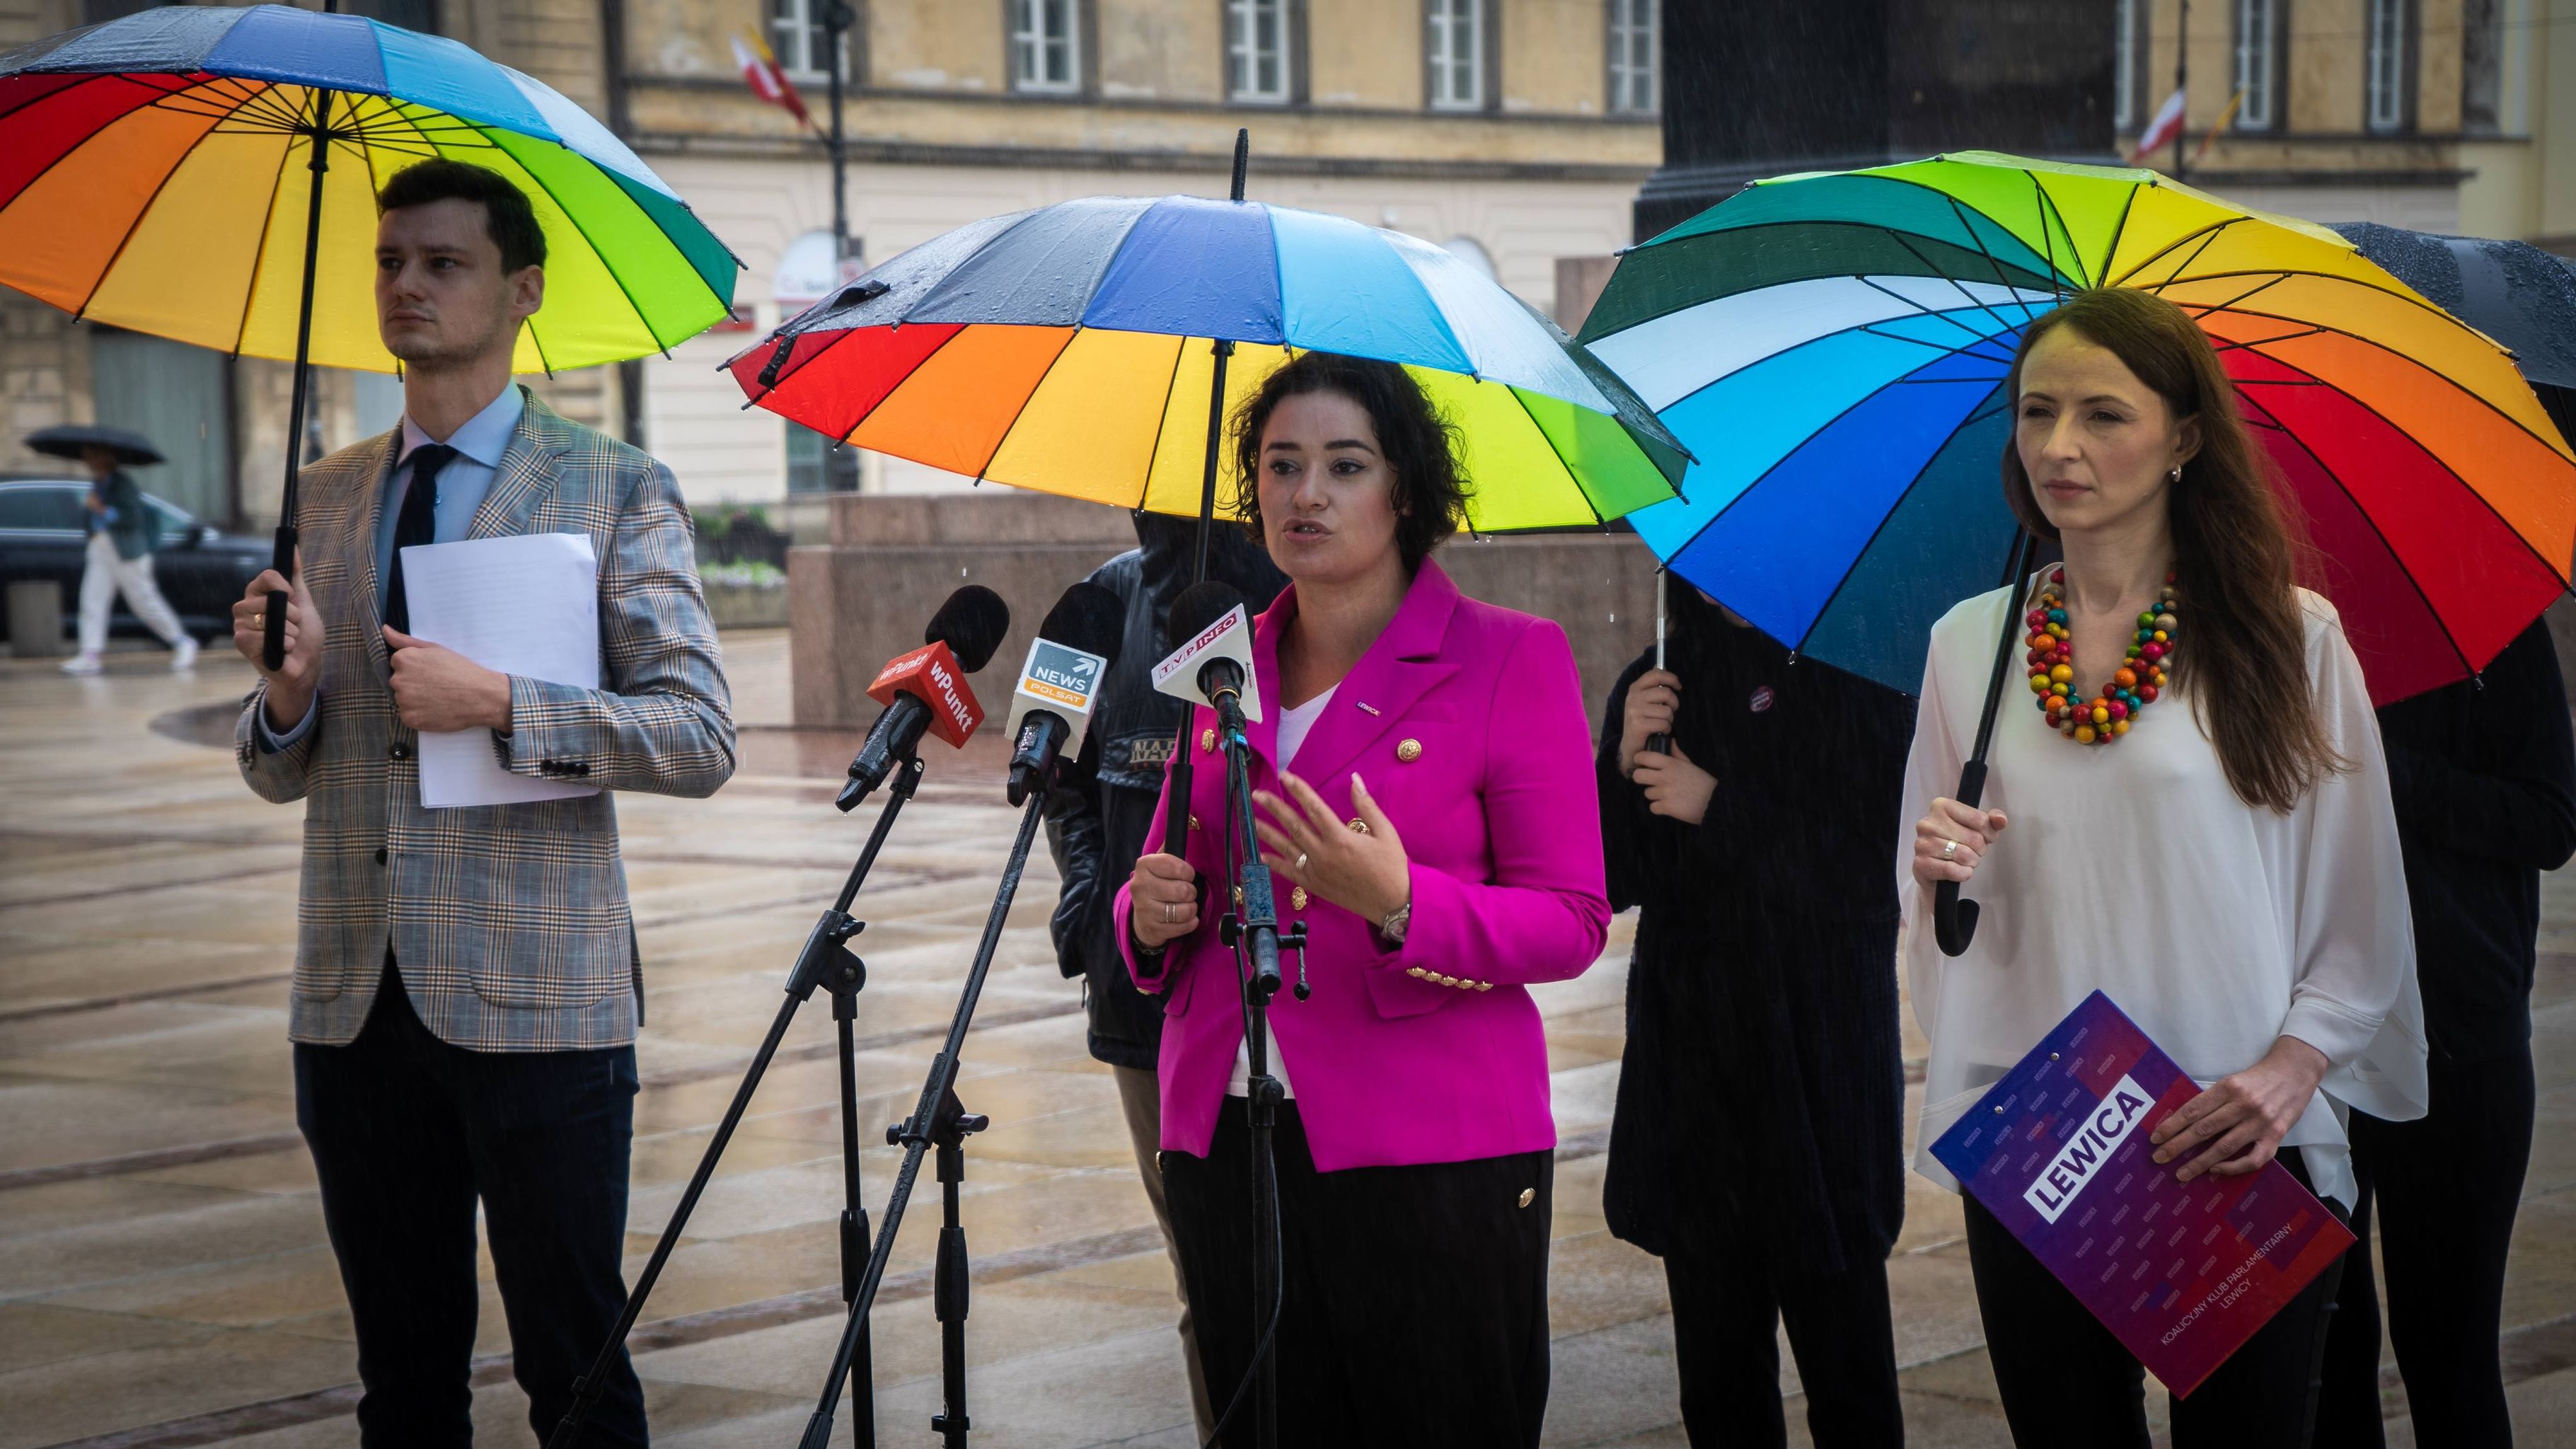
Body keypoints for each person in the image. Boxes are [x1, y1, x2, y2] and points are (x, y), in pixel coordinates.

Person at [229, 158, 734, 1447]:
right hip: (354, 998)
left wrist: (504, 701)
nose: (407, 284)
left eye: (443, 263)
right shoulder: (325, 494)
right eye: (391, 261)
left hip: (542, 996)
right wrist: (288, 692)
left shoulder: (614, 483)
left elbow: (698, 735)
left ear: (523, 291)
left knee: (577, 1373)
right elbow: (280, 767)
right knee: (401, 1386)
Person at [1900, 287, 2427, 1448]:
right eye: (2036, 411)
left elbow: (2359, 902)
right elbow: (1938, 920)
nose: (2059, 445)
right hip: (2041, 1123)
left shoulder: (2288, 637)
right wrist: (1939, 870)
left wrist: (2291, 1070)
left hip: (2228, 1121)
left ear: (2185, 435)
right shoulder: (1968, 644)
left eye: (2102, 414)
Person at [1116, 351, 1609, 1445]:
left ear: (1406, 490)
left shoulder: (1507, 657)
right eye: (1280, 465)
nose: (1306, 494)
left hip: (1428, 1146)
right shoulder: (1222, 664)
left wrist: (1399, 903)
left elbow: (1572, 919)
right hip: (1227, 1135)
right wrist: (1147, 917)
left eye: (1345, 465)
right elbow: (1164, 873)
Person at [1596, 584, 1912, 1447]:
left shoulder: (1861, 678)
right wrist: (1622, 760)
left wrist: (1717, 804)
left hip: (1820, 1064)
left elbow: (1870, 879)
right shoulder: (1659, 680)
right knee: (1718, 1376)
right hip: (1695, 1074)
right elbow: (1611, 880)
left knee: (1847, 1365)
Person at [1042, 509, 1286, 1441]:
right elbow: (1054, 775)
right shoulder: (1092, 604)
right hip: (1141, 1001)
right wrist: (1089, 896)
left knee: (1305, 1268)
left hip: (1273, 994)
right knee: (1208, 1275)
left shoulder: (1292, 595)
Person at [2314, 616, 2576, 1446]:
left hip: (2458, 1033)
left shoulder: (2487, 629)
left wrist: (2383, 770)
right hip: (2302, 1046)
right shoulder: (2265, 632)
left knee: (2448, 1355)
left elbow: (2548, 819)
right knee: (2322, 1360)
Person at [62, 439, 196, 674]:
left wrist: (101, 509)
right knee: (92, 600)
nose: (87, 461)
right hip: (101, 548)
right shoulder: (97, 484)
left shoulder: (122, 484)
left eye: (91, 456)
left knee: (143, 600)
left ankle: (182, 642)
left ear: (104, 457)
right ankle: (90, 655)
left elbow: (132, 518)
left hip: (127, 552)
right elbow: (92, 518)